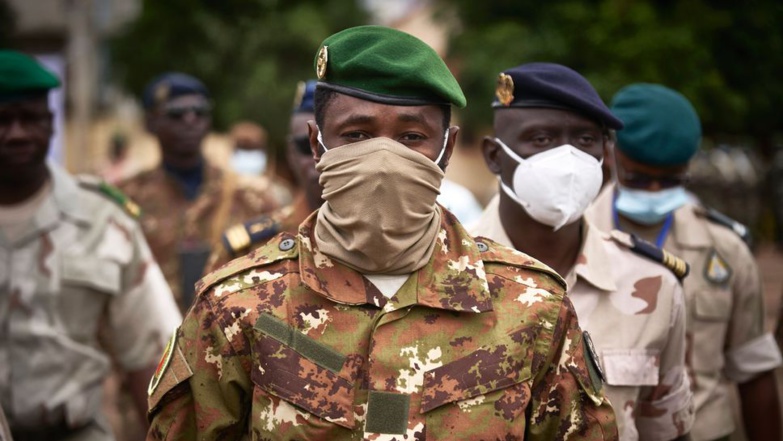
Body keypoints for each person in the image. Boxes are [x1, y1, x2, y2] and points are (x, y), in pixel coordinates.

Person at [146, 26, 618, 440]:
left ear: (447, 150)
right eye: (357, 135)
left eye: (412, 137)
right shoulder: (238, 307)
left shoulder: (531, 307)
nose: (384, 159)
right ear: (316, 143)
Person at [469, 63, 694, 440]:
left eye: (586, 140)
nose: (568, 160)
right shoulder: (444, 273)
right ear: (494, 156)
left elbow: (667, 429)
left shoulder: (653, 284)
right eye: (540, 139)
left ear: (606, 157)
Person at [0, 50, 182, 441]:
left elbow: (152, 358)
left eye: (29, 119)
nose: (15, 133)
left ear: (50, 124)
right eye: (2, 120)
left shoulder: (102, 219)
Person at [586, 83, 783, 441]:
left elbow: (754, 370)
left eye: (671, 180)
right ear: (610, 153)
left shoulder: (725, 249)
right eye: (640, 177)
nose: (656, 192)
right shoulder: (571, 238)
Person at [118, 72, 290, 312]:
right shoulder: (126, 198)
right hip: (153, 337)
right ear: (151, 123)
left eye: (199, 112)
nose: (190, 120)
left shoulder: (250, 195)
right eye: (176, 114)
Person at [207, 80, 323, 271]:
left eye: (330, 145)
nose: (319, 158)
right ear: (290, 153)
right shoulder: (248, 248)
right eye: (306, 146)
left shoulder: (383, 244)